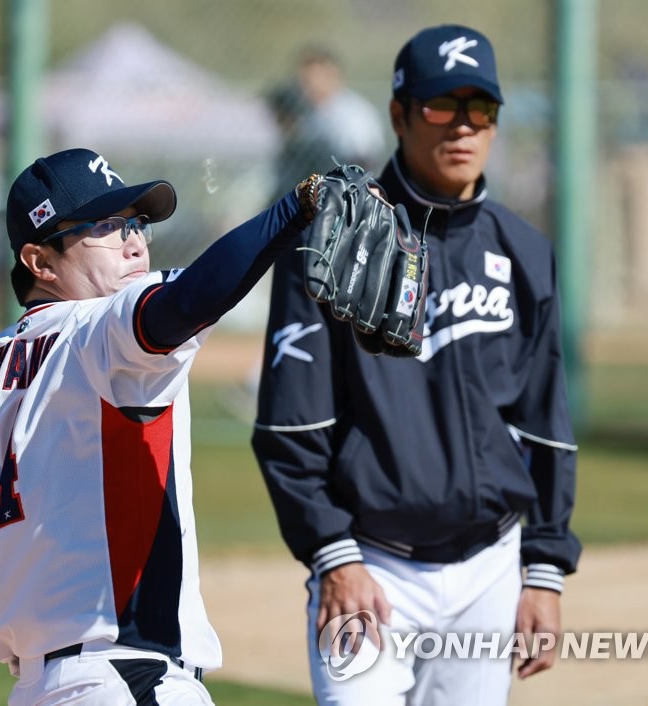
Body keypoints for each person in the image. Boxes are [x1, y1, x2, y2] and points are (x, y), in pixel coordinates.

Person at [0, 147, 331, 705]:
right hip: (129, 681)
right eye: (105, 226)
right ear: (40, 263)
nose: (135, 241)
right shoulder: (102, 331)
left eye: (136, 223)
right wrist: (298, 206)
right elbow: (188, 300)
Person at [252, 24, 581, 706]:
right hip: (371, 559)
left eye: (479, 108)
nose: (462, 127)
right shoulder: (335, 240)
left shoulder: (524, 251)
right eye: (440, 106)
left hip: (489, 567)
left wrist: (543, 569)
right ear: (400, 115)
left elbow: (546, 423)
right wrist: (332, 556)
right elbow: (290, 426)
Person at [294, 45, 387, 173]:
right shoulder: (309, 112)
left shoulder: (354, 114)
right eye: (303, 80)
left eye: (310, 80)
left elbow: (363, 161)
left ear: (331, 75)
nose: (304, 86)